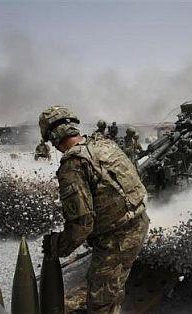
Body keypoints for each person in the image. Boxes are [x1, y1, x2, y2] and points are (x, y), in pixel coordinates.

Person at [39, 106, 149, 314]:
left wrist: (57, 245)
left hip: (117, 240)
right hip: (139, 223)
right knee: (112, 286)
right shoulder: (105, 144)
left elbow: (82, 226)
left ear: (53, 136)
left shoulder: (73, 164)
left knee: (101, 303)